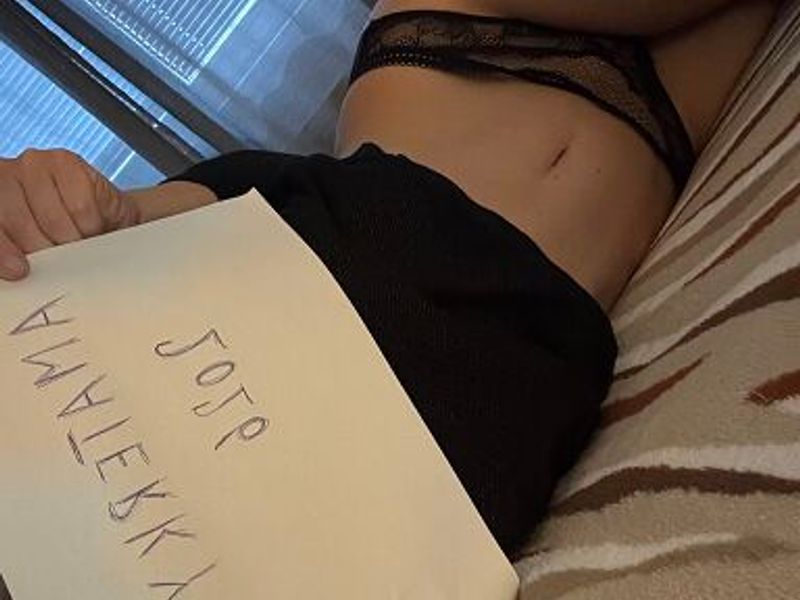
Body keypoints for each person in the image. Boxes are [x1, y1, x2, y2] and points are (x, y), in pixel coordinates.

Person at [0, 0, 782, 559]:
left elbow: (164, 220)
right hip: (377, 312)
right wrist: (79, 214)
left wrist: (65, 206)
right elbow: (172, 222)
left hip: (423, 292)